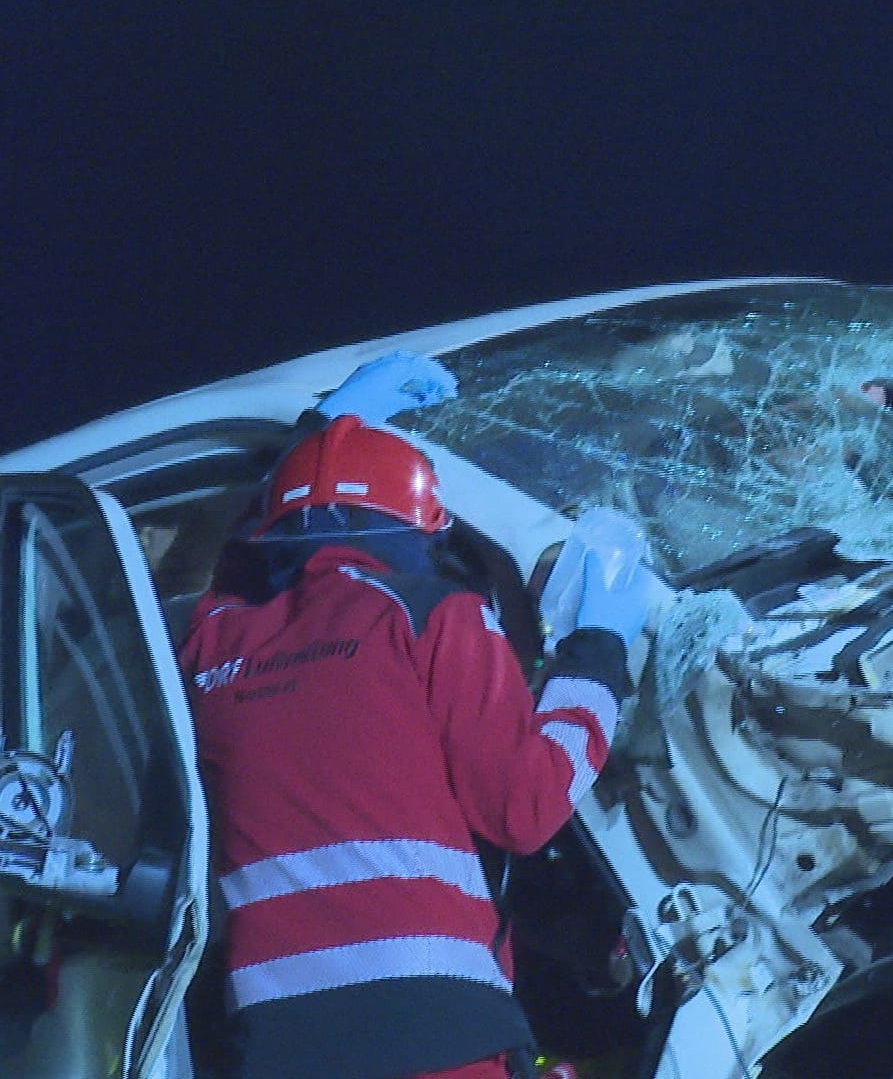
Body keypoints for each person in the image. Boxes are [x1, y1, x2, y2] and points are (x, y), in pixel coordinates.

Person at [180, 412, 655, 1079]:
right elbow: (524, 807)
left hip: (276, 1038)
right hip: (434, 1021)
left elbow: (231, 558)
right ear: (424, 529)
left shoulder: (211, 644)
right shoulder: (435, 613)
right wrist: (598, 654)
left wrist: (303, 452)